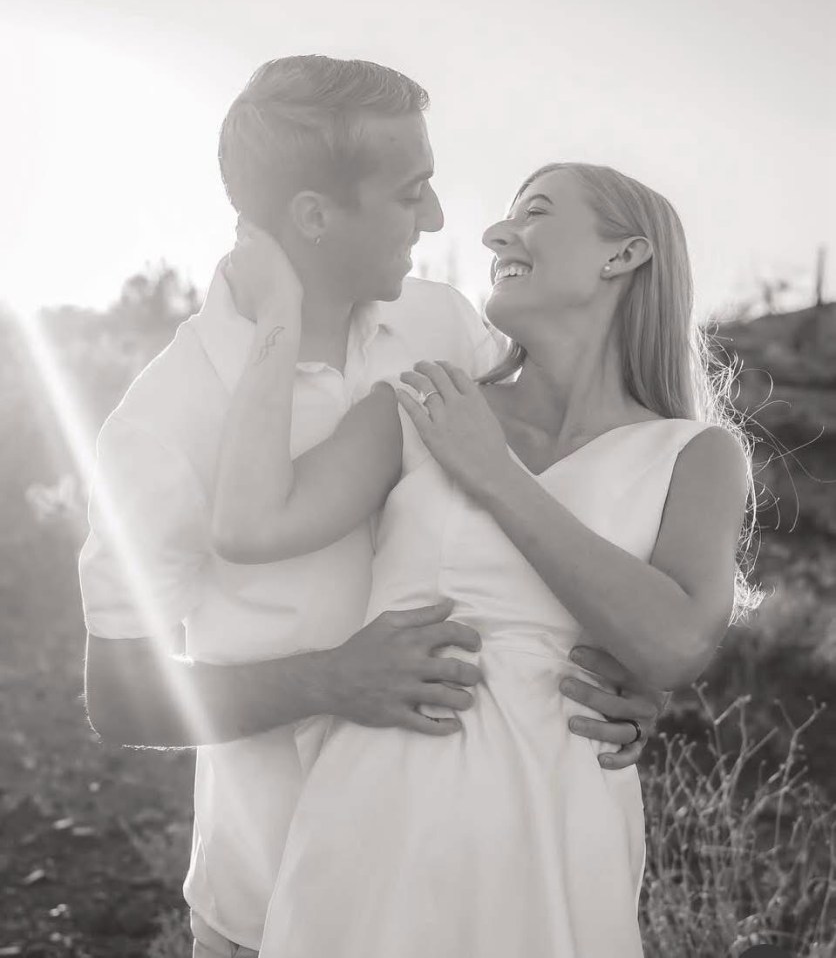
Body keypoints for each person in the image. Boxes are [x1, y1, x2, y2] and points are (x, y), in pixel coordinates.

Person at [79, 57, 665, 958]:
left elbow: (552, 503)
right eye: (410, 193)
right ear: (314, 216)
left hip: (462, 884)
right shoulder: (163, 424)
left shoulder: (447, 330)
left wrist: (626, 677)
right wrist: (330, 680)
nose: (435, 220)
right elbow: (120, 699)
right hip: (266, 894)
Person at [212, 162, 755, 957]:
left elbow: (671, 645)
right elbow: (249, 526)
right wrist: (277, 320)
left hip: (563, 819)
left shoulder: (696, 454)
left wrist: (494, 474)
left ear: (624, 254)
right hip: (382, 806)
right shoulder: (423, 405)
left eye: (534, 213)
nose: (498, 233)